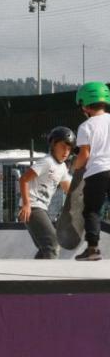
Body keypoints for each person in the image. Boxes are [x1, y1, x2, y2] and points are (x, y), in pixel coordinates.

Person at [18, 127, 75, 259]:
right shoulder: (47, 161)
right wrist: (26, 204)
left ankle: (32, 276)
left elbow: (69, 189)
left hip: (41, 208)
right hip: (32, 206)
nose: (66, 152)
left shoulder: (62, 167)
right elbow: (23, 179)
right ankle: (48, 278)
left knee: (46, 247)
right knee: (53, 243)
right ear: (53, 144)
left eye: (68, 149)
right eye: (63, 147)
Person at [73, 81, 110, 261]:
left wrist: (76, 166)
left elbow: (84, 154)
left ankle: (93, 249)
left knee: (92, 211)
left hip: (97, 173)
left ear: (84, 104)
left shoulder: (86, 126)